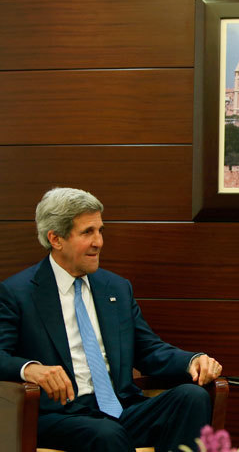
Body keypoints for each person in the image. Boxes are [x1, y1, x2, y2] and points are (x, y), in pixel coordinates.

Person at [0, 187, 224, 452]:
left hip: (120, 409)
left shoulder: (115, 288)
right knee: (107, 435)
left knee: (193, 397)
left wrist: (192, 361)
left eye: (100, 231)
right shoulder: (18, 293)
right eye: (87, 232)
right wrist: (31, 368)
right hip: (61, 416)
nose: (99, 242)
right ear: (56, 238)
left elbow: (148, 349)